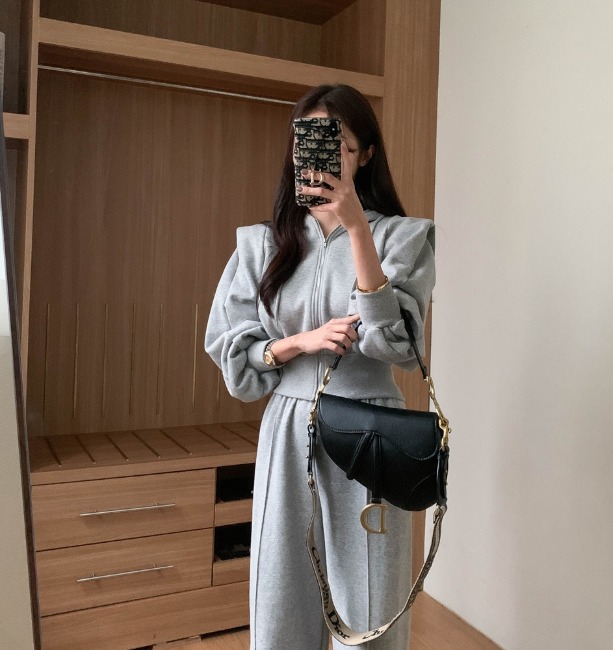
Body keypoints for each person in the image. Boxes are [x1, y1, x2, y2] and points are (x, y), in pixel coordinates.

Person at [205, 84, 436, 650]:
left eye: (340, 146)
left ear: (366, 155)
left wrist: (358, 230)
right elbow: (234, 353)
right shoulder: (261, 245)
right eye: (308, 143)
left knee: (371, 603)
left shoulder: (402, 237)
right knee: (281, 593)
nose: (320, 158)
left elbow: (397, 345)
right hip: (288, 429)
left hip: (371, 431)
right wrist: (297, 344)